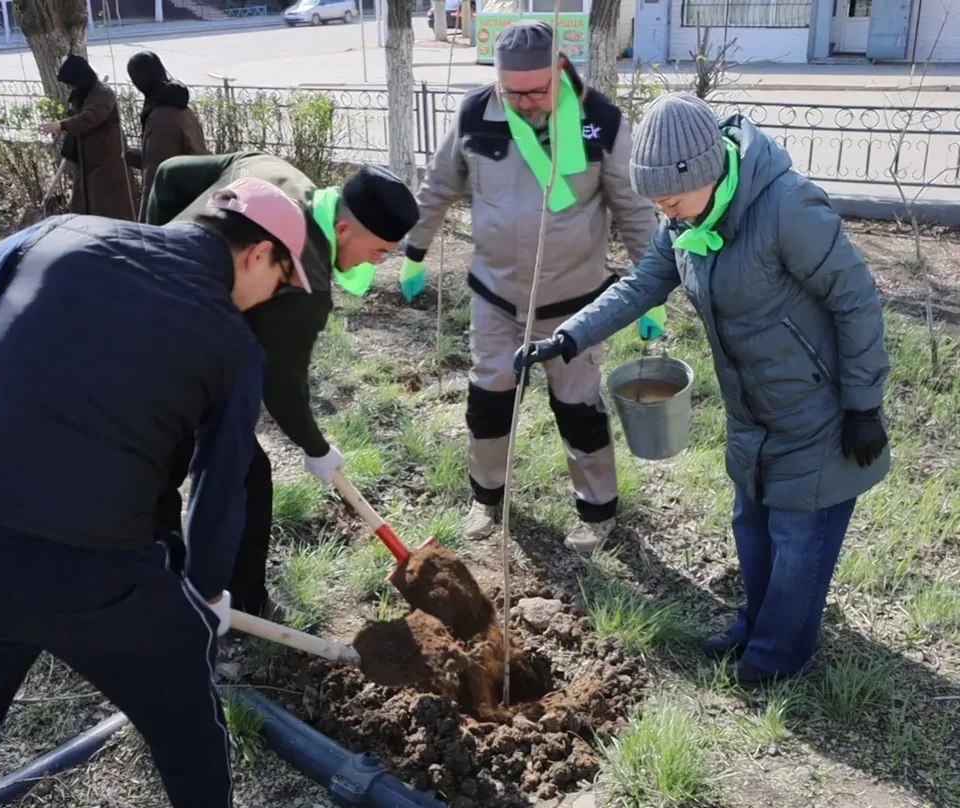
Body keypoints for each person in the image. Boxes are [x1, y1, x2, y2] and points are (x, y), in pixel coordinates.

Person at [0, 176, 312, 808]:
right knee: (192, 744)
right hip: (104, 584)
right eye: (279, 280)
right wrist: (208, 592)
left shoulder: (55, 236)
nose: (269, 297)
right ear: (257, 254)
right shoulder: (234, 346)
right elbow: (221, 492)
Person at [515, 92, 891, 687]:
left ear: (709, 171)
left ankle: (778, 655)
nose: (663, 208)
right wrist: (567, 337)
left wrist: (863, 404)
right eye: (655, 197)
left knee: (799, 535)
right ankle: (756, 622)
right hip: (752, 406)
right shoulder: (685, 220)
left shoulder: (786, 208)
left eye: (671, 195)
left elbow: (857, 300)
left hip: (818, 405)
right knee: (753, 522)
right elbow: (641, 286)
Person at [399, 20, 662, 553]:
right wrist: (414, 250)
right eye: (513, 91)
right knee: (488, 403)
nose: (525, 102)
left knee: (578, 409)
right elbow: (438, 185)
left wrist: (650, 288)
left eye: (538, 90)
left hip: (577, 306)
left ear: (559, 71)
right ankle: (485, 499)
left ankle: (596, 512)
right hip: (496, 299)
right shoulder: (476, 114)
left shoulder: (601, 120)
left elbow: (634, 210)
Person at [146, 153, 419, 620]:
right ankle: (223, 604)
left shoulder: (272, 171)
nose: (375, 264)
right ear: (347, 230)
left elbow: (169, 172)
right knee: (239, 476)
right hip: (165, 350)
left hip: (146, 304)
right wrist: (315, 447)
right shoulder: (304, 281)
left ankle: (170, 588)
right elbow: (281, 384)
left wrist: (155, 242)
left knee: (161, 467)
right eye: (378, 252)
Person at [40, 54, 136, 221]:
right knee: (85, 201)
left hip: (107, 157)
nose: (70, 87)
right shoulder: (83, 93)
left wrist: (61, 125)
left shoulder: (103, 93)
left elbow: (89, 118)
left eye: (71, 83)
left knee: (107, 205)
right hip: (87, 158)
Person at [125, 51, 208, 221]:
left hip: (174, 206)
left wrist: (146, 224)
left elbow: (159, 172)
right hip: (193, 193)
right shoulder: (180, 106)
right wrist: (140, 157)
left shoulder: (160, 117)